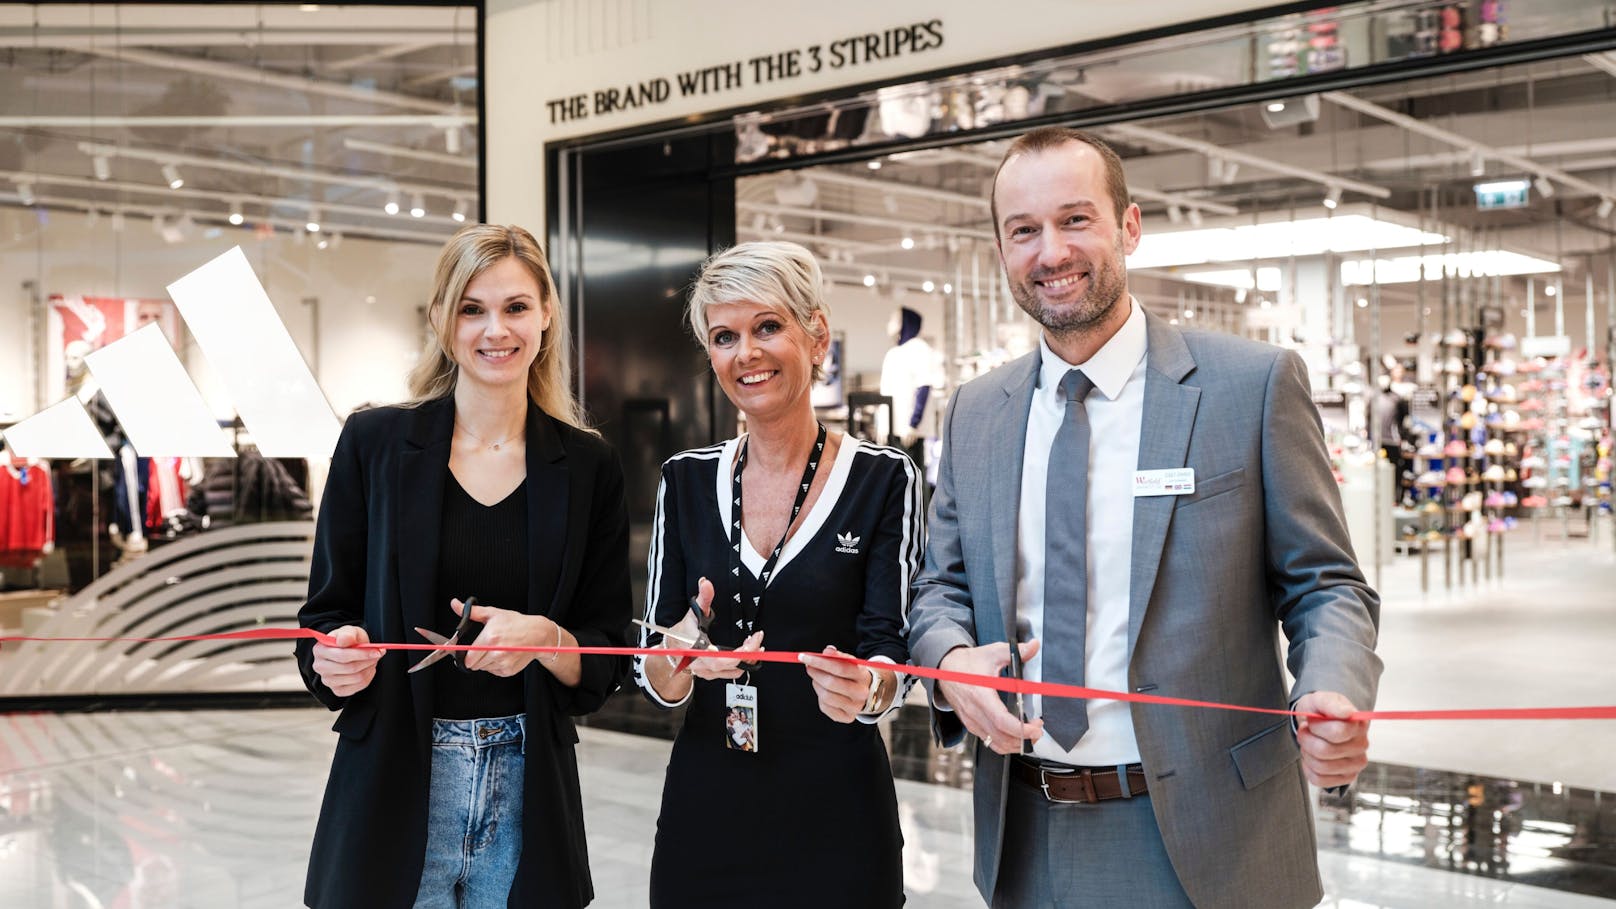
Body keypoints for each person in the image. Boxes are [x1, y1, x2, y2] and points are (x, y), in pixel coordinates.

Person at [905, 127, 1382, 909]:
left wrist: (1329, 689)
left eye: (1075, 219)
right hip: (1024, 833)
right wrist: (952, 662)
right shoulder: (978, 413)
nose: (1050, 251)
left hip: (1210, 839)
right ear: (1000, 248)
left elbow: (1326, 583)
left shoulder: (1249, 386)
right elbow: (939, 589)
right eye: (1023, 230)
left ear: (1129, 226)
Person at [294, 224, 632, 909]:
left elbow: (606, 652)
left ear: (545, 317)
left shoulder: (588, 464)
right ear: (441, 321)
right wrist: (335, 655)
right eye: (471, 308)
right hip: (394, 776)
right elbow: (324, 620)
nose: (493, 329)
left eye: (514, 307)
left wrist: (548, 638)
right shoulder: (374, 444)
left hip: (526, 783)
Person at [635, 240, 923, 907]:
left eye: (768, 326)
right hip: (706, 811)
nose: (747, 353)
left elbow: (893, 649)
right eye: (724, 336)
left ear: (815, 334)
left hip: (839, 812)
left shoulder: (882, 479)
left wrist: (868, 687)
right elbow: (655, 663)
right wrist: (680, 651)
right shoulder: (684, 479)